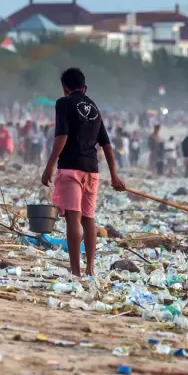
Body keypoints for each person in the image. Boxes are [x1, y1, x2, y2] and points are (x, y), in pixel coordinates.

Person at [41, 67, 125, 277]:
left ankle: (76, 271)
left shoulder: (64, 102)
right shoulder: (94, 108)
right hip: (92, 171)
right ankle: (90, 269)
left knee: (73, 218)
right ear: (84, 88)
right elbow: (106, 145)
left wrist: (49, 165)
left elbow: (62, 136)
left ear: (65, 89)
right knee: (88, 219)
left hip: (71, 168)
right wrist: (115, 176)